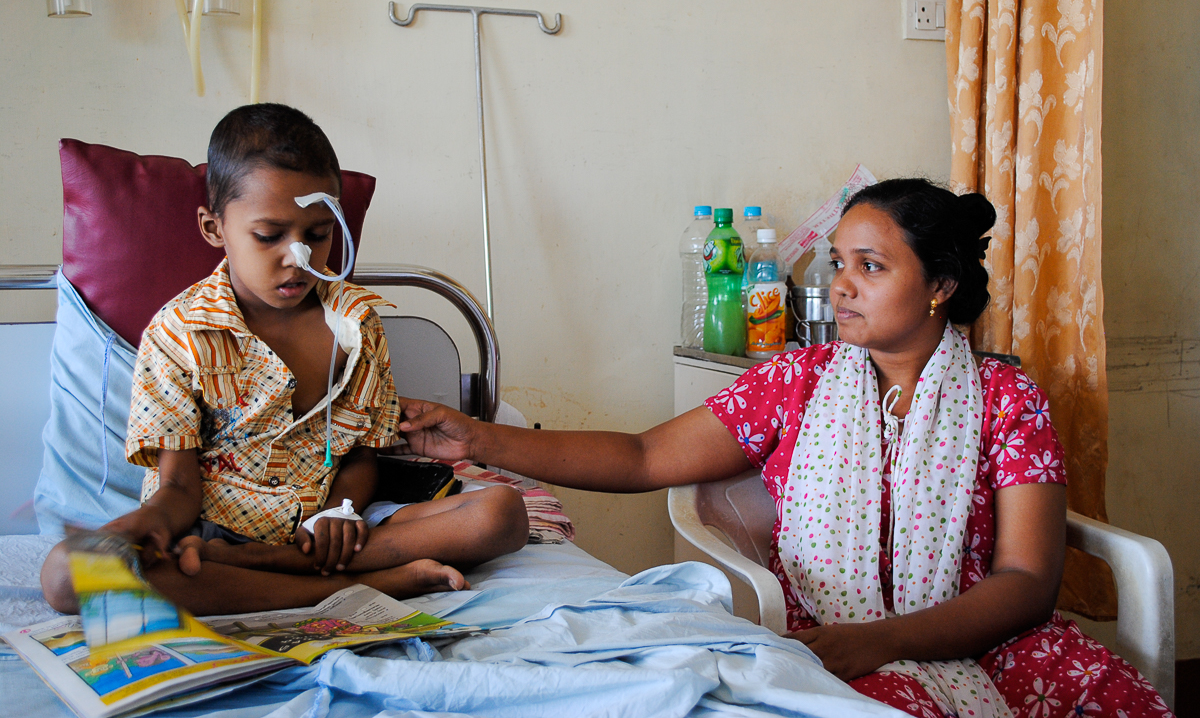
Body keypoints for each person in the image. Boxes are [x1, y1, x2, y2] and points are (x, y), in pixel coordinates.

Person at [395, 179, 1173, 717]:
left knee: (1112, 699)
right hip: (827, 641)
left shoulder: (1008, 398)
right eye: (839, 263)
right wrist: (481, 436)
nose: (841, 285)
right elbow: (639, 457)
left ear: (939, 284)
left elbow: (1029, 579)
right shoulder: (795, 381)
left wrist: (887, 637)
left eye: (870, 266)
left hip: (989, 636)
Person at [41, 103, 528, 617]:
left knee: (500, 514)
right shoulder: (178, 333)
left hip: (328, 533)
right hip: (211, 533)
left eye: (317, 235)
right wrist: (145, 526)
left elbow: (361, 457)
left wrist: (341, 511)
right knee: (64, 577)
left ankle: (274, 569)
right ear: (213, 228)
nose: (297, 257)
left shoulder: (356, 326)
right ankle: (372, 586)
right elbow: (178, 485)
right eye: (269, 235)